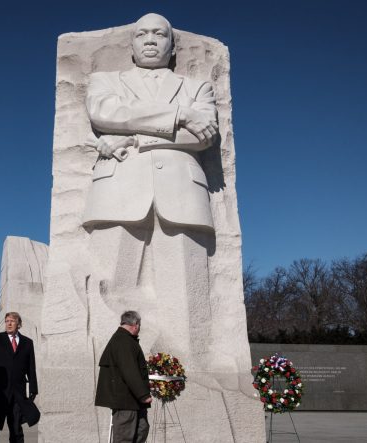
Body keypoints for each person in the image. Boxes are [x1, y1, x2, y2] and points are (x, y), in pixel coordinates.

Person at [82, 13, 218, 361]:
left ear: (172, 46)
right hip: (119, 191)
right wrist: (180, 115)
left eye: (160, 34)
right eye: (142, 34)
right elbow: (105, 113)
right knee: (110, 287)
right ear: (131, 44)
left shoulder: (197, 87)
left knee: (187, 298)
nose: (150, 39)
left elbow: (203, 136)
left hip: (182, 194)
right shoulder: (104, 81)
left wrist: (133, 136)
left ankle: (192, 367)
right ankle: (108, 369)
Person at [0, 312, 38, 443]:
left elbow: (31, 367)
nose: (9, 324)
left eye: (12, 321)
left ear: (19, 324)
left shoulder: (27, 343)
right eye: (7, 321)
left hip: (18, 392)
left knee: (16, 427)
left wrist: (33, 388)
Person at [95, 311, 152, 443]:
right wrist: (143, 395)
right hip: (125, 400)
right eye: (139, 325)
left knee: (142, 428)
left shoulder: (126, 340)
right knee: (125, 436)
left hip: (132, 400)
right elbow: (129, 370)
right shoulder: (122, 341)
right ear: (136, 325)